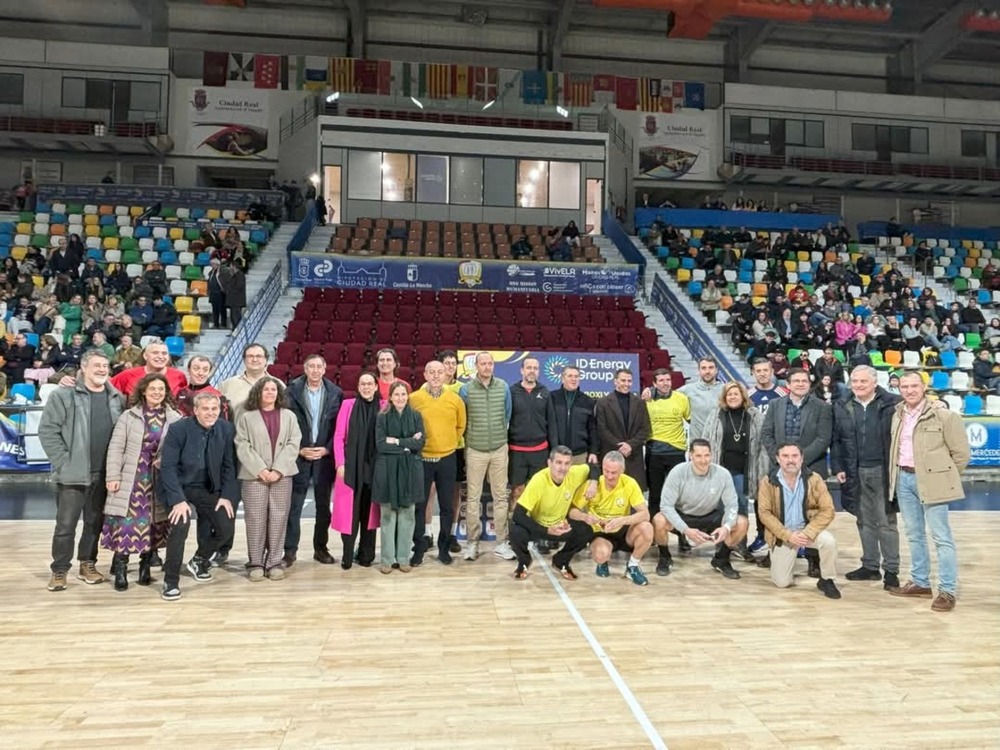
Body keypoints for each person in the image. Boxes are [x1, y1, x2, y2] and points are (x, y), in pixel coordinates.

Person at [39, 350, 126, 591]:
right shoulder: (63, 395)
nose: (101, 370)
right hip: (73, 474)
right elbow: (48, 431)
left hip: (105, 474)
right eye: (96, 365)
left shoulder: (116, 398)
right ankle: (59, 569)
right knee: (65, 524)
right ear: (83, 368)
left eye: (105, 366)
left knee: (94, 523)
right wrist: (63, 463)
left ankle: (87, 562)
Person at [886, 372, 970, 612]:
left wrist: (944, 478)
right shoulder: (898, 414)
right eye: (904, 386)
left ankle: (947, 590)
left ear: (924, 387)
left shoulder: (944, 415)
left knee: (941, 537)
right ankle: (921, 582)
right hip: (903, 478)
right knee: (914, 534)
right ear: (899, 388)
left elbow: (961, 454)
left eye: (914, 386)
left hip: (933, 482)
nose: (909, 390)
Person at [101, 373, 182, 591]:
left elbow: (178, 449)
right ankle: (120, 568)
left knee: (153, 525)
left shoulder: (175, 417)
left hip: (158, 479)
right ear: (144, 391)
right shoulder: (129, 416)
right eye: (153, 389)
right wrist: (112, 477)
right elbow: (116, 448)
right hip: (132, 477)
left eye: (161, 389)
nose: (157, 393)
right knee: (127, 525)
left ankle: (145, 567)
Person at [157, 392, 237, 601]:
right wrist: (178, 500)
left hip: (207, 487)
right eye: (205, 409)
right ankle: (171, 580)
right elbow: (167, 467)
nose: (211, 413)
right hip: (178, 487)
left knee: (225, 526)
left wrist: (226, 495)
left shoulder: (226, 429)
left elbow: (229, 465)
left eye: (214, 409)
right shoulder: (178, 429)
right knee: (181, 523)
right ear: (195, 410)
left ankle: (199, 559)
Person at [830, 365, 901, 590]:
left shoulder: (893, 403)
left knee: (886, 521)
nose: (858, 385)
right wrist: (838, 466)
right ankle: (870, 566)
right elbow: (837, 440)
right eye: (854, 381)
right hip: (854, 471)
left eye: (863, 381)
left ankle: (891, 570)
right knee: (864, 520)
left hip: (883, 470)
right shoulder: (842, 404)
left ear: (874, 382)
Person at [235, 376, 302, 581]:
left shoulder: (289, 416)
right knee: (255, 518)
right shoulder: (246, 417)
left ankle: (274, 561)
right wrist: (261, 469)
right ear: (258, 393)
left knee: (279, 518)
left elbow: (294, 443)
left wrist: (279, 469)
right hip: (254, 475)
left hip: (282, 475)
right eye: (266, 390)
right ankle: (255, 561)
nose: (270, 393)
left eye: (274, 389)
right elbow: (242, 444)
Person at [651, 439, 748, 579]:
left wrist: (726, 527)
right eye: (698, 456)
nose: (703, 460)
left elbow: (732, 505)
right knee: (658, 520)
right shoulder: (677, 472)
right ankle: (665, 556)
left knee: (742, 522)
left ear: (711, 455)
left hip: (710, 515)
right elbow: (666, 506)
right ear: (690, 455)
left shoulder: (723, 474)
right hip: (683, 515)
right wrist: (685, 529)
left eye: (707, 455)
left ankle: (721, 559)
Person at [756, 442, 841, 599]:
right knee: (782, 582)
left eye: (795, 456)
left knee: (829, 541)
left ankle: (827, 579)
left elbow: (828, 510)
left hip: (807, 531)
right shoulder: (767, 482)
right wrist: (788, 535)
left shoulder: (814, 479)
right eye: (785, 456)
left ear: (801, 459)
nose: (790, 460)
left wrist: (808, 533)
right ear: (778, 459)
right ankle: (785, 560)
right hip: (783, 535)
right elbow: (764, 514)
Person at [284, 354, 343, 567]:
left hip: (324, 459)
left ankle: (320, 548)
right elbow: (286, 424)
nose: (315, 370)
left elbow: (338, 427)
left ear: (325, 368)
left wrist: (327, 449)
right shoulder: (291, 390)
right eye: (311, 366)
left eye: (319, 366)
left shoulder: (336, 393)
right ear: (305, 368)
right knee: (294, 507)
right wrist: (299, 449)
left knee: (322, 507)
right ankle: (289, 552)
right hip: (300, 456)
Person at [509, 446, 598, 580]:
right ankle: (524, 561)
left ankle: (561, 560)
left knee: (586, 531)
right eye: (558, 462)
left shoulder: (574, 473)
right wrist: (547, 530)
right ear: (549, 463)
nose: (563, 468)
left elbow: (593, 467)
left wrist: (594, 482)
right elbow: (518, 515)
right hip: (538, 527)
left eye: (567, 463)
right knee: (515, 531)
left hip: (561, 526)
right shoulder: (539, 480)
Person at [408, 360, 466, 566]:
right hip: (422, 459)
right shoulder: (414, 399)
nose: (435, 376)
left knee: (447, 506)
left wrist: (448, 442)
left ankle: (444, 549)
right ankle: (418, 548)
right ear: (425, 374)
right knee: (420, 505)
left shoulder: (455, 399)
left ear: (445, 375)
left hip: (447, 458)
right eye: (431, 372)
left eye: (439, 372)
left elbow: (461, 426)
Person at [703, 381, 768, 562]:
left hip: (743, 470)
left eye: (736, 394)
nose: (732, 397)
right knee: (721, 508)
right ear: (724, 397)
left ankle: (739, 545)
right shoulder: (715, 415)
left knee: (740, 508)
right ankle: (721, 546)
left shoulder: (754, 416)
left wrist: (762, 471)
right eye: (729, 394)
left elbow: (763, 445)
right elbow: (706, 439)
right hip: (719, 470)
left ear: (743, 396)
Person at [568, 450, 652, 585]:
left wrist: (622, 520)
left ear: (622, 470)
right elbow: (572, 511)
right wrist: (585, 517)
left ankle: (632, 566)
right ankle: (602, 562)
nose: (609, 476)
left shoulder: (630, 483)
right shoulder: (592, 485)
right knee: (601, 554)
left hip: (623, 530)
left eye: (614, 473)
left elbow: (645, 514)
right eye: (606, 471)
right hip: (601, 532)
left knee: (647, 528)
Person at [459, 352, 513, 562]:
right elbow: (464, 419)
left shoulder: (503, 387)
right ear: (476, 366)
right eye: (483, 364)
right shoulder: (466, 390)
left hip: (499, 449)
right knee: (473, 498)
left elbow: (507, 414)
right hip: (475, 450)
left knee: (501, 497)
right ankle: (472, 543)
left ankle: (502, 543)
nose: (487, 367)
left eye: (490, 363)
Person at [372, 381, 426, 574]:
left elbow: (419, 444)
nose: (400, 398)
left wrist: (395, 441)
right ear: (391, 397)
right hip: (387, 470)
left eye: (404, 394)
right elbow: (380, 445)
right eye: (397, 395)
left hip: (410, 470)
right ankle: (386, 560)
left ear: (408, 396)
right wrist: (406, 444)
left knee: (407, 514)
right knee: (387, 515)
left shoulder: (416, 416)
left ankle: (403, 558)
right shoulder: (382, 417)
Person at [332, 371, 382, 568]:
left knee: (368, 513)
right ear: (358, 386)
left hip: (375, 468)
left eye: (370, 383)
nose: (367, 387)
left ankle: (366, 554)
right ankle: (346, 554)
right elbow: (338, 437)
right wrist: (340, 463)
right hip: (350, 468)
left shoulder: (384, 406)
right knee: (349, 514)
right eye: (363, 383)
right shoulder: (348, 405)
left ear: (376, 386)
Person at [507, 357, 551, 547]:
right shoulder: (511, 391)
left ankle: (539, 534)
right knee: (517, 492)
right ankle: (516, 533)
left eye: (536, 367)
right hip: (517, 450)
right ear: (522, 370)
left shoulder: (545, 392)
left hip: (540, 451)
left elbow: (552, 423)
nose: (532, 371)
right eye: (529, 367)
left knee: (539, 495)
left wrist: (552, 450)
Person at [761, 368, 832, 477]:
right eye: (796, 381)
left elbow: (823, 438)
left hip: (812, 468)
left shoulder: (823, 407)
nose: (800, 384)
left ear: (809, 384)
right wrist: (780, 458)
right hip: (779, 468)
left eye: (804, 381)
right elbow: (766, 433)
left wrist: (799, 460)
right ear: (788, 385)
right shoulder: (775, 404)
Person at [643, 368, 689, 519]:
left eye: (668, 380)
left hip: (677, 452)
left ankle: (682, 534)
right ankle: (656, 534)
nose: (665, 383)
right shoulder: (647, 399)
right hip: (654, 453)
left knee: (679, 496)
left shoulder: (681, 398)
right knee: (655, 495)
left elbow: (691, 420)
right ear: (654, 384)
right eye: (661, 380)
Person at [595, 368, 650, 490]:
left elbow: (645, 429)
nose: (626, 384)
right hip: (611, 454)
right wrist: (620, 446)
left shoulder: (640, 403)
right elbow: (602, 429)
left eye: (629, 381)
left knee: (633, 495)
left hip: (634, 456)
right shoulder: (603, 402)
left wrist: (630, 445)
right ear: (615, 381)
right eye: (623, 380)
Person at [546, 365, 598, 465]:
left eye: (576, 376)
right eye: (570, 376)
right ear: (562, 378)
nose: (574, 379)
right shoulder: (552, 398)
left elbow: (593, 429)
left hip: (580, 456)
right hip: (557, 454)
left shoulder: (588, 401)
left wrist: (593, 451)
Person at [107, 340, 188, 397]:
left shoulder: (179, 376)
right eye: (155, 353)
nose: (160, 357)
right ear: (145, 356)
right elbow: (107, 387)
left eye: (164, 353)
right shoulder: (128, 375)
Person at [219, 343, 271, 421]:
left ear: (266, 360)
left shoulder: (278, 385)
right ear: (244, 360)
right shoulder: (227, 385)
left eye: (259, 356)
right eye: (250, 356)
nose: (254, 360)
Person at [678, 357, 724, 440]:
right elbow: (667, 395)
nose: (707, 371)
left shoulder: (726, 390)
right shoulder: (688, 390)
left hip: (720, 443)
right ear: (698, 371)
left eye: (711, 367)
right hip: (697, 443)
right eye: (703, 368)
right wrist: (651, 391)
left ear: (716, 370)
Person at [174, 355, 231, 420]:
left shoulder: (217, 396)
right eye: (196, 368)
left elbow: (223, 424)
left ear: (209, 373)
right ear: (188, 370)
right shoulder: (181, 392)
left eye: (205, 370)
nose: (201, 373)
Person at [220, 261, 246, 328]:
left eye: (230, 266)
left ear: (234, 266)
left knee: (236, 318)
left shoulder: (240, 275)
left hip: (237, 301)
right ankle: (234, 331)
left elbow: (239, 286)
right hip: (233, 301)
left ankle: (238, 332)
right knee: (233, 318)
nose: (229, 267)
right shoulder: (234, 276)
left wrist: (229, 290)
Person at [206, 258, 227, 329]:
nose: (211, 266)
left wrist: (223, 289)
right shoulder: (211, 272)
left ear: (217, 265)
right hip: (213, 293)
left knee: (222, 309)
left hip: (220, 294)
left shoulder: (222, 272)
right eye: (211, 264)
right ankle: (216, 324)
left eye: (213, 264)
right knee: (214, 310)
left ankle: (223, 324)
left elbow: (224, 282)